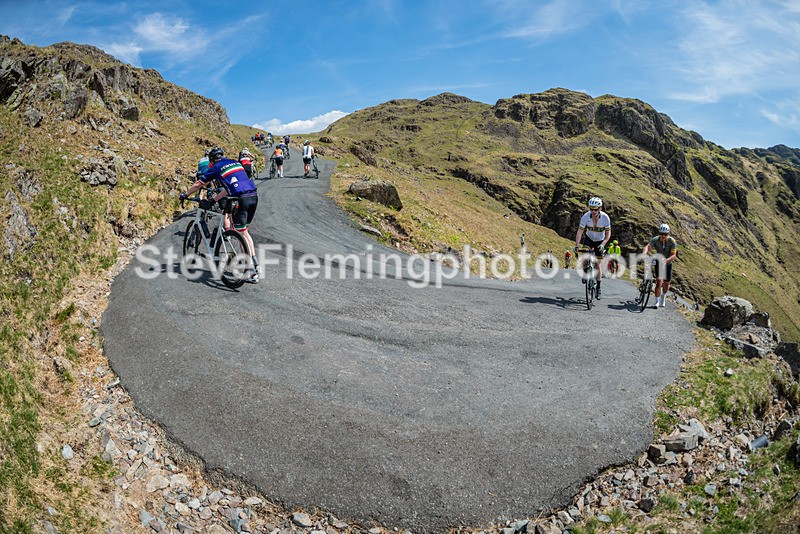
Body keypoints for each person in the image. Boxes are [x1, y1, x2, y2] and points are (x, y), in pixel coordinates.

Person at [179, 147, 260, 283]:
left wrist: (185, 194)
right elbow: (228, 188)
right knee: (244, 231)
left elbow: (199, 184)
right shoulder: (234, 162)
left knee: (242, 234)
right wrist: (212, 201)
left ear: (211, 160)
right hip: (253, 196)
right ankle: (256, 265)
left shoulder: (215, 168)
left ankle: (251, 271)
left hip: (241, 198)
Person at [574, 197, 611, 299]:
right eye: (591, 209)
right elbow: (580, 232)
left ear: (600, 209)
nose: (594, 211)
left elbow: (608, 234)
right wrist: (577, 245)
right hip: (589, 239)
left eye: (596, 209)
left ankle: (598, 287)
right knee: (585, 255)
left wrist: (603, 244)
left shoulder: (605, 218)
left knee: (598, 264)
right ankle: (585, 271)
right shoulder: (586, 217)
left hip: (600, 241)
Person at [643, 223, 677, 308]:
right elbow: (648, 247)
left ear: (668, 234)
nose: (663, 236)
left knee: (666, 283)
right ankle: (657, 301)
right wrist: (644, 254)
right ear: (659, 233)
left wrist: (667, 260)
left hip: (668, 263)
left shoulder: (672, 241)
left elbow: (673, 255)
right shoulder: (656, 240)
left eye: (665, 234)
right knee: (659, 282)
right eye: (661, 234)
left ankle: (663, 296)